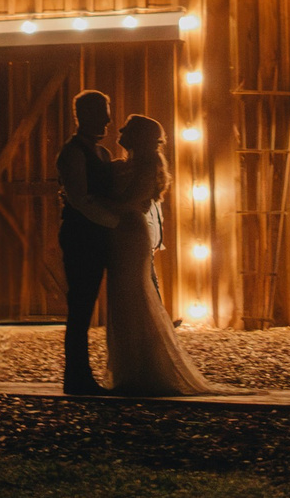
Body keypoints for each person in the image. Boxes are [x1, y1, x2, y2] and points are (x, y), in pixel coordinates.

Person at [99, 113, 218, 395]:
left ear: (139, 136)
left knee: (133, 297)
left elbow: (128, 202)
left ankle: (145, 369)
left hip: (131, 233)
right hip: (121, 232)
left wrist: (91, 201)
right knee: (123, 299)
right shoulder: (126, 165)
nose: (120, 130)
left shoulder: (147, 167)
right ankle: (129, 368)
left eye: (128, 128)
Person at [55, 88, 120, 395]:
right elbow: (80, 199)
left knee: (88, 305)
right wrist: (116, 222)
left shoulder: (102, 154)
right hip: (81, 235)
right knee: (80, 306)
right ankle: (76, 376)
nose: (107, 122)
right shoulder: (72, 153)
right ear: (83, 116)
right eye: (102, 116)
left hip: (99, 234)